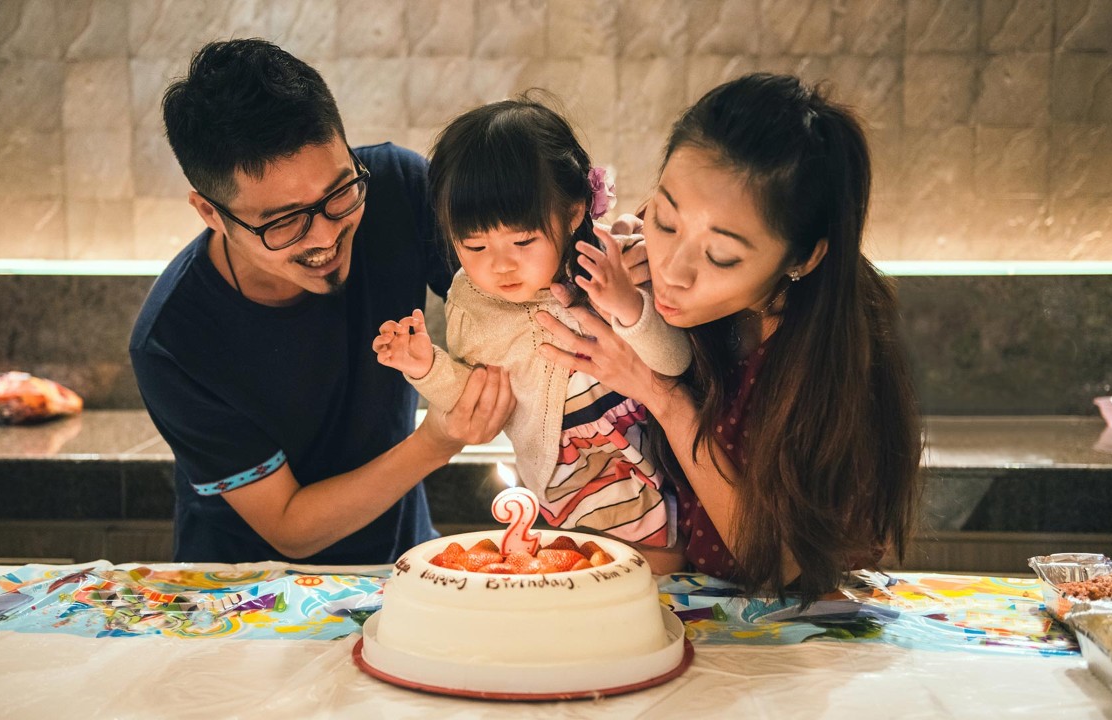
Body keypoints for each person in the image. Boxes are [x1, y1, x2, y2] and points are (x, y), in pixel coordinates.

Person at [129, 39, 514, 565]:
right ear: (210, 212)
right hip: (249, 601)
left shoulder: (397, 189)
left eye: (339, 193)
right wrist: (438, 440)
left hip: (398, 567)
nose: (326, 236)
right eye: (284, 222)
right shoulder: (174, 340)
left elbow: (518, 287)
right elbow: (290, 527)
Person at [537, 74, 922, 600]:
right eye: (667, 221)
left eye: (720, 257)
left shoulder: (835, 352)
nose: (674, 269)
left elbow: (781, 565)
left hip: (801, 637)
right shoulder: (652, 272)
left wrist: (661, 395)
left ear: (802, 258)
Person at [373, 97, 692, 547]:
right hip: (569, 475)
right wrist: (426, 367)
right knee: (618, 572)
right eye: (475, 247)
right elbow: (477, 400)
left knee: (663, 576)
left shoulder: (610, 263)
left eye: (522, 241)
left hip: (661, 447)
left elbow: (676, 362)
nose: (500, 266)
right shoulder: (471, 304)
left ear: (574, 213)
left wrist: (625, 304)